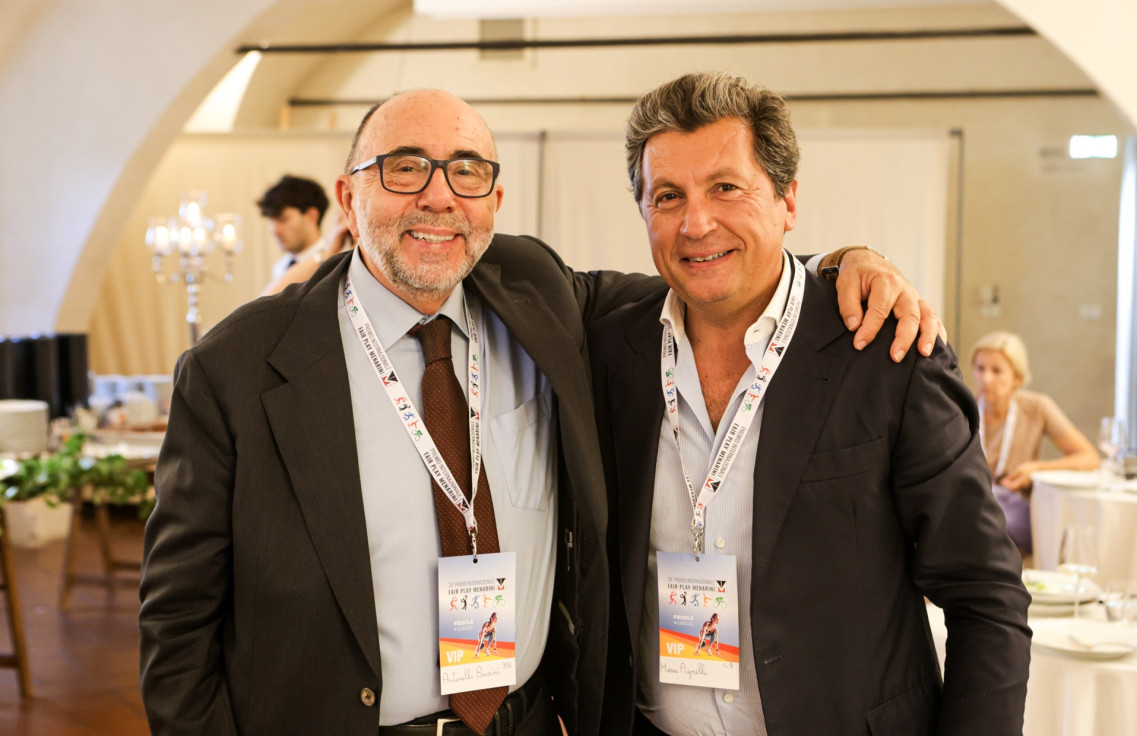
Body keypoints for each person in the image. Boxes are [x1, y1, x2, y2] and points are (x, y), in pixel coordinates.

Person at [138, 87, 939, 736]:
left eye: (466, 172)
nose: (439, 197)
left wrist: (839, 265)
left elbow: (709, 277)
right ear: (349, 197)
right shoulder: (235, 371)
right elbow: (176, 627)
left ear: (495, 199)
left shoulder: (535, 292)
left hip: (521, 724)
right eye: (405, 168)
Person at [589, 72, 1031, 736]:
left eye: (726, 188)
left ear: (787, 199)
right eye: (668, 196)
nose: (696, 223)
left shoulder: (885, 347)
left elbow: (985, 594)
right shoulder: (610, 345)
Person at [970, 330, 1099, 555]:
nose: (986, 378)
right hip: (972, 503)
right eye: (980, 368)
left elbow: (1089, 458)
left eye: (997, 370)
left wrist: (1036, 469)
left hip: (1015, 511)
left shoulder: (1037, 408)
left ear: (1017, 378)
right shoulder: (964, 408)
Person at [256, 174, 330, 286]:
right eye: (272, 221)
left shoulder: (333, 264)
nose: (275, 230)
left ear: (312, 216)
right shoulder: (280, 267)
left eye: (283, 220)